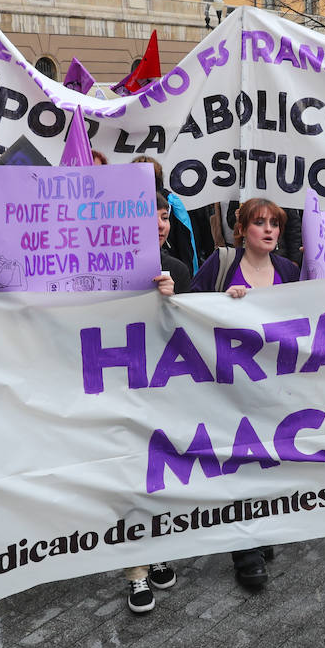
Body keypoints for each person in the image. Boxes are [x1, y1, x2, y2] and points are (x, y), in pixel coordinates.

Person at [191, 198, 302, 589]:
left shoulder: (288, 270)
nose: (269, 230)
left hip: (273, 387)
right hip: (228, 387)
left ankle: (259, 529)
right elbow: (187, 311)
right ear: (243, 230)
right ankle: (245, 550)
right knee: (239, 461)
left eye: (275, 223)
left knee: (268, 459)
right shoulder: (220, 264)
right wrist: (221, 303)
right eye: (260, 223)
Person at [122, 189, 189, 614]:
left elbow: (200, 320)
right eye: (152, 216)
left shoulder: (179, 266)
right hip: (122, 384)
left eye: (164, 216)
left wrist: (174, 297)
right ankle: (135, 571)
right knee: (130, 474)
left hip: (165, 387)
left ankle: (160, 545)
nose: (161, 224)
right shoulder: (112, 272)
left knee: (160, 470)